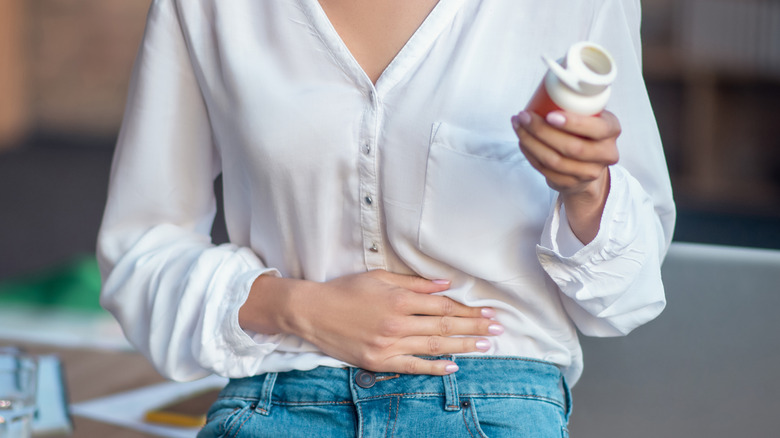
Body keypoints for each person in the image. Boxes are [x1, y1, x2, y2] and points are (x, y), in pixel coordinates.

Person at [97, 0, 675, 436]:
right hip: (277, 398)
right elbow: (140, 252)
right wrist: (295, 307)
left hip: (491, 403)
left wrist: (587, 190)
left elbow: (630, 296)